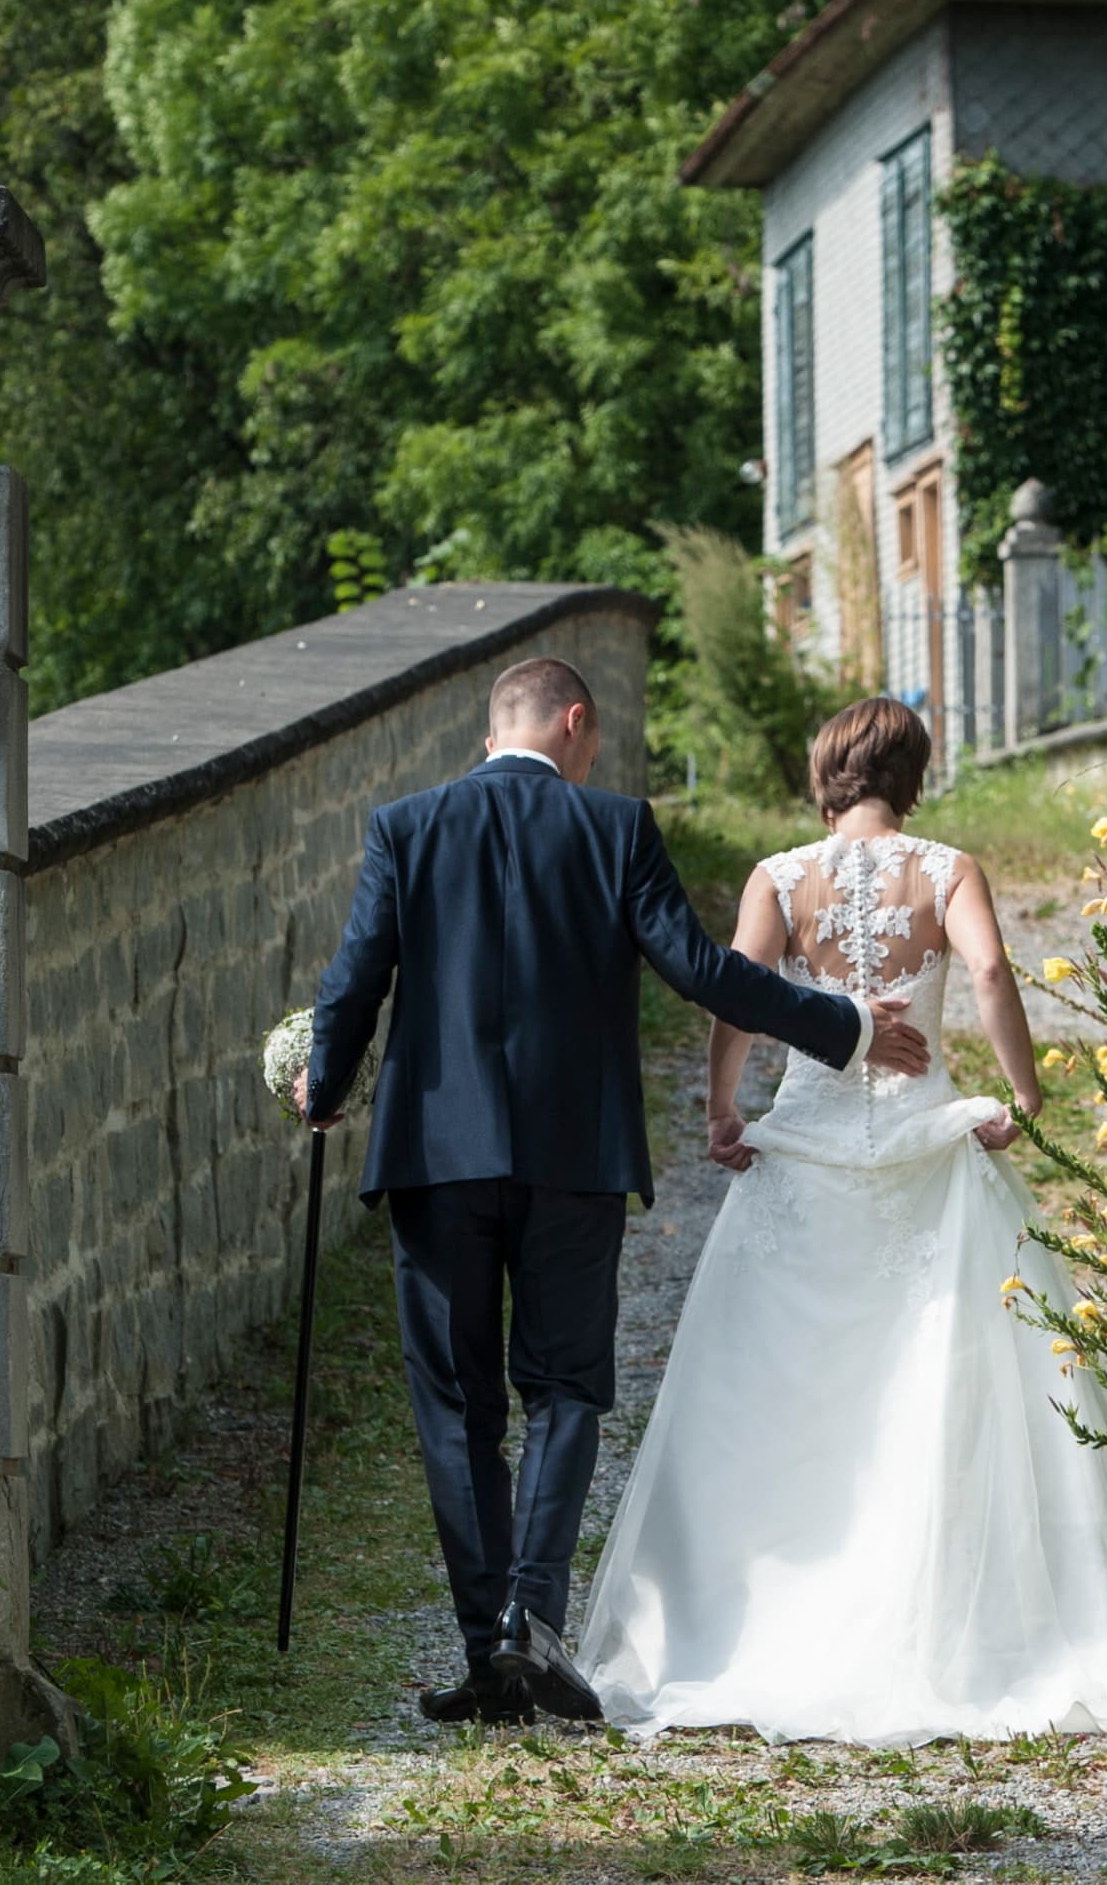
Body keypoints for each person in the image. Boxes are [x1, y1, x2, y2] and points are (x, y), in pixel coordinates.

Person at [294, 659, 932, 1727]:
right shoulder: (614, 827)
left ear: (497, 729)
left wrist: (321, 1077)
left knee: (458, 1406)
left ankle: (487, 1650)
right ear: (575, 724)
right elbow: (697, 966)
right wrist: (843, 1024)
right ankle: (530, 1622)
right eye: (593, 742)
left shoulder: (404, 826)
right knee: (565, 1389)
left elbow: (356, 978)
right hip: (573, 1157)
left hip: (435, 1161)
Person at [576, 696, 1107, 1746]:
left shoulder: (780, 877)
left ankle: (747, 1619)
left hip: (805, 1147)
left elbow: (736, 994)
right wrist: (1025, 1096)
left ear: (827, 773)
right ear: (913, 773)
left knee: (773, 1385)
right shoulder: (947, 869)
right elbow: (991, 972)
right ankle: (971, 1626)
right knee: (952, 1378)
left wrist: (725, 1109)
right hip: (925, 1143)